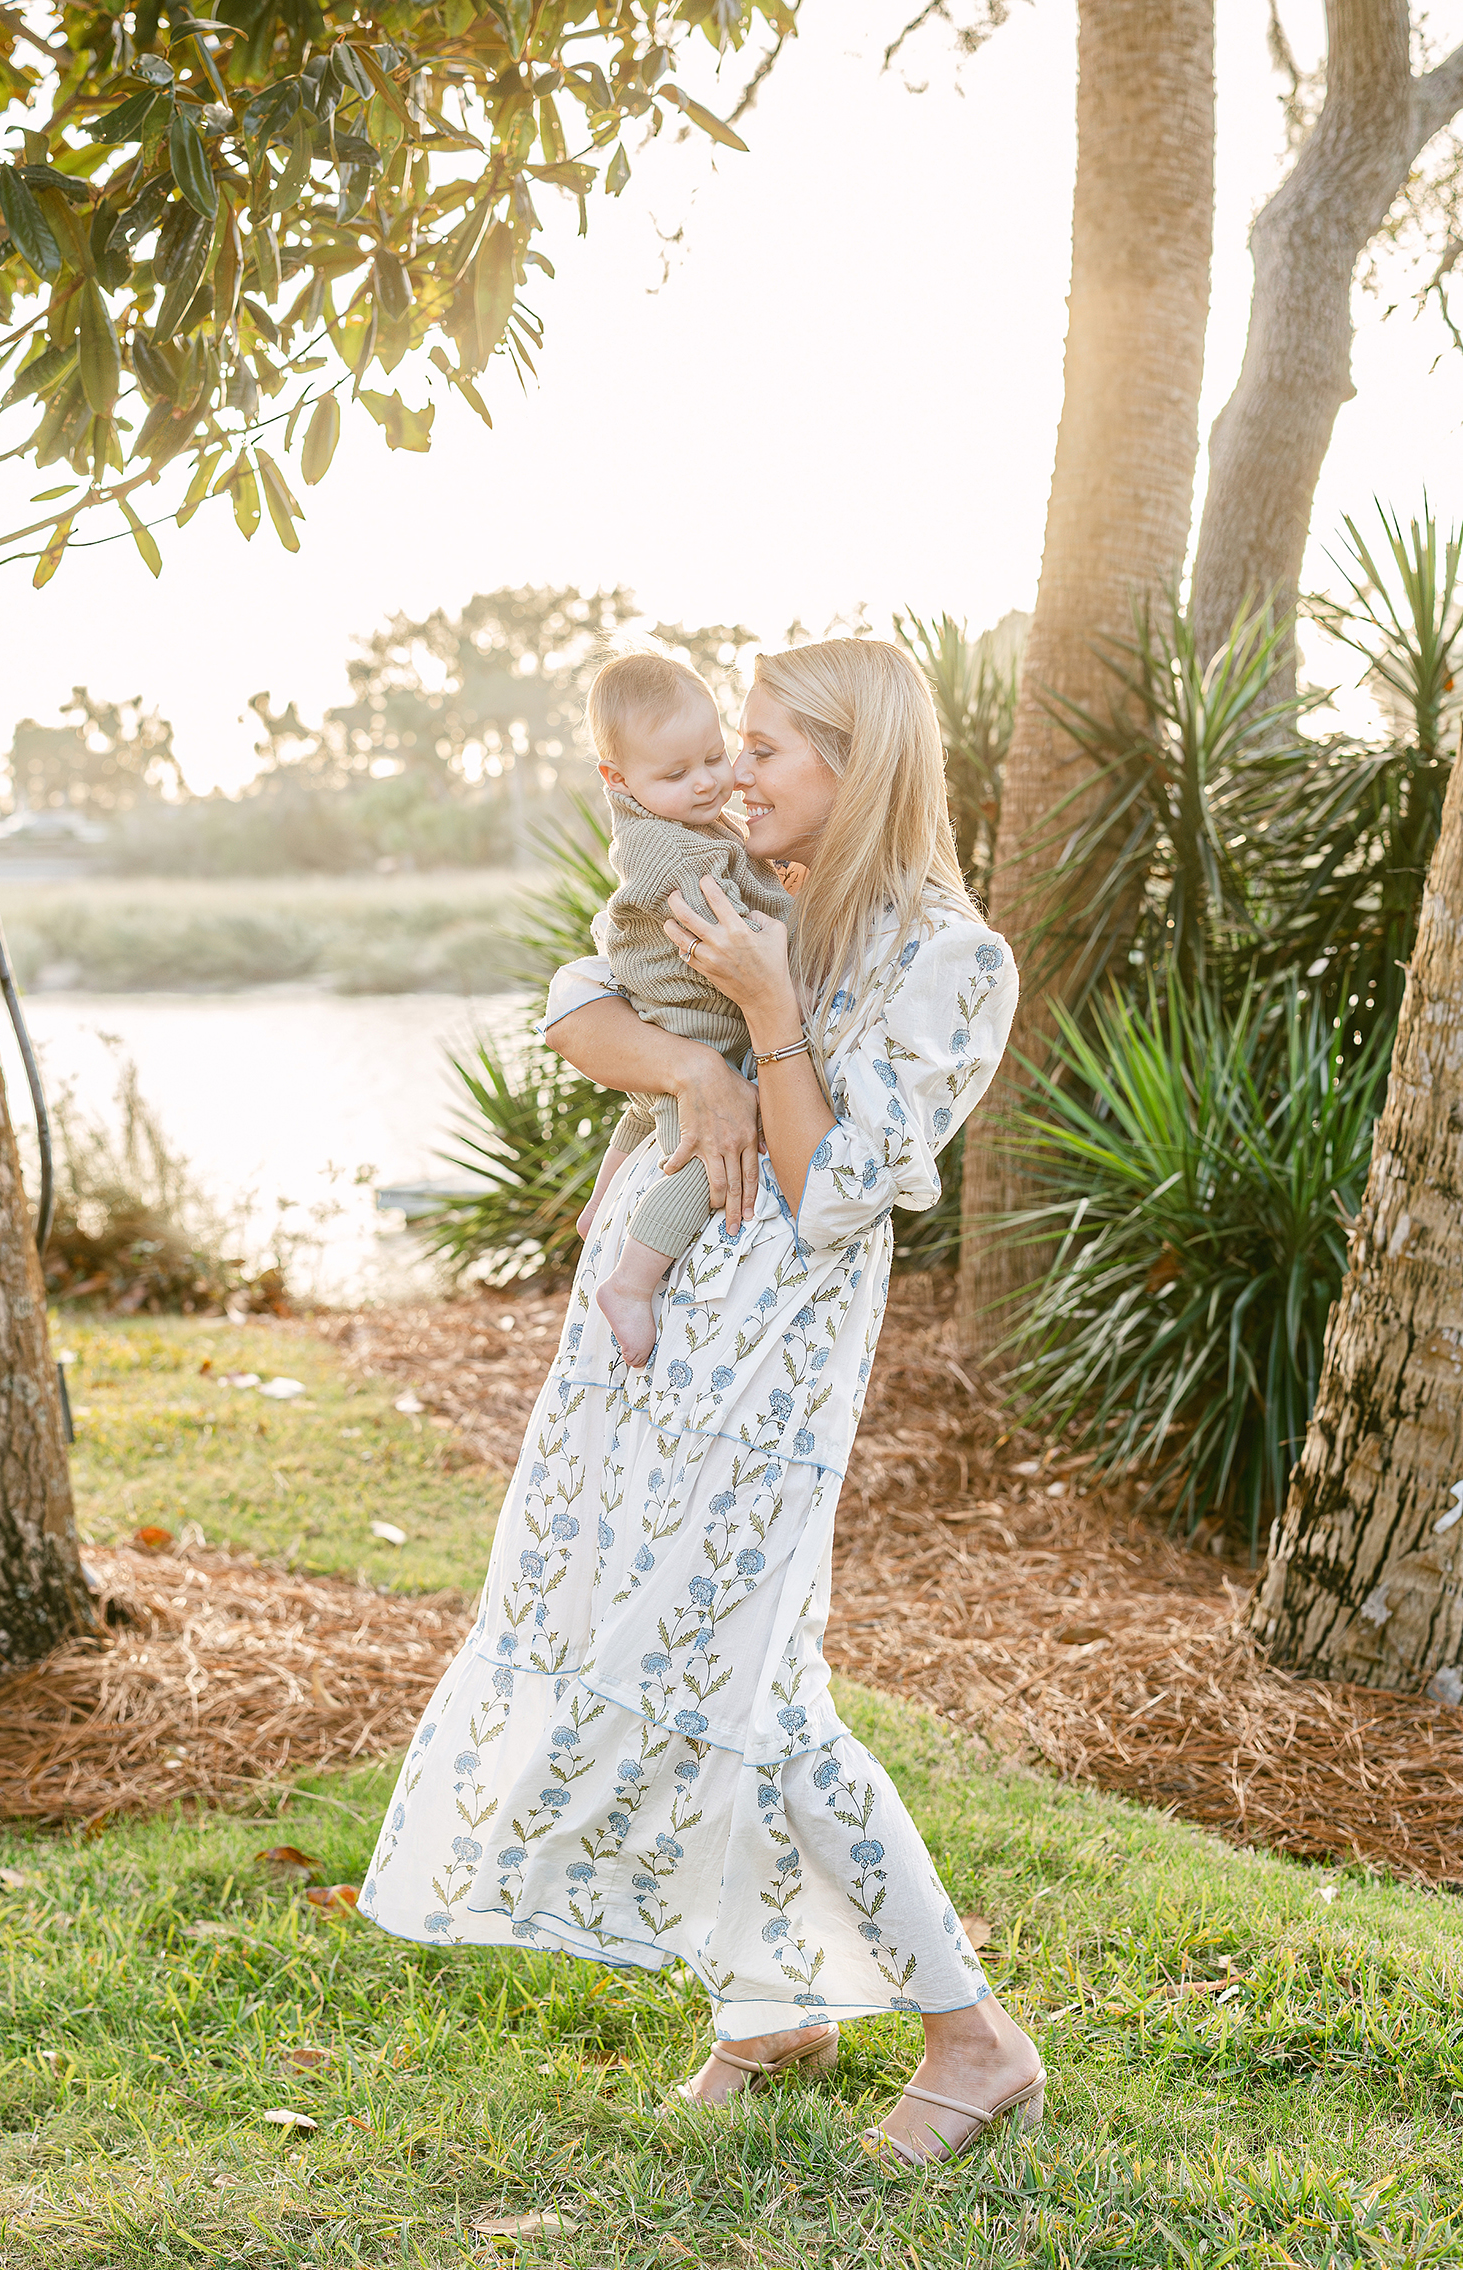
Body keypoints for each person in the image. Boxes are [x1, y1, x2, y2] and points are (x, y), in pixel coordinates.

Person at [359, 637, 1042, 2167]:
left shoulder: (950, 958)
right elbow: (572, 1009)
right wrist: (692, 1063)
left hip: (768, 1375)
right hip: (639, 1343)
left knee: (753, 1694)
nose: (734, 773)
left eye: (767, 749)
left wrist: (766, 1014)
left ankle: (972, 2038)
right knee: (672, 1658)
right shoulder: (725, 877)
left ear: (857, 767)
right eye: (727, 745)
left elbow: (835, 1191)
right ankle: (766, 2010)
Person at [575, 650, 793, 1370]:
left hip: (668, 1017)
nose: (706, 782)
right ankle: (632, 1283)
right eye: (676, 774)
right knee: (701, 1155)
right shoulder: (670, 856)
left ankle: (597, 1209)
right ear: (619, 779)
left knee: (641, 1113)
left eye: (712, 756)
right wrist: (800, 901)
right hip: (691, 1021)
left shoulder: (686, 817)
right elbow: (738, 917)